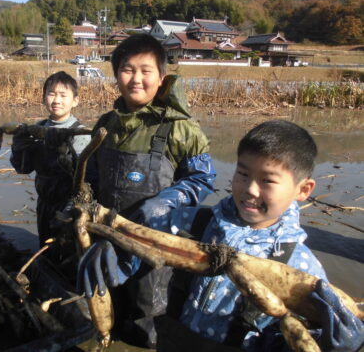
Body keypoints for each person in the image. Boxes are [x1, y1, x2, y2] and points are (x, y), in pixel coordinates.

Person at [79, 120, 364, 351]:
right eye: (243, 174)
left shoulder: (301, 268)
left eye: (267, 181)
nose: (250, 189)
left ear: (303, 190)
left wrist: (326, 341)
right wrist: (117, 250)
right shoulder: (193, 223)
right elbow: (147, 244)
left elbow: (292, 338)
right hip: (174, 340)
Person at [84, 34, 216, 347]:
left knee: (150, 315)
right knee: (108, 307)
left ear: (161, 77)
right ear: (116, 75)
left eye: (146, 71)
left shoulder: (180, 128)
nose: (136, 79)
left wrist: (167, 201)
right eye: (128, 70)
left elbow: (203, 178)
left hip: (155, 244)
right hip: (108, 238)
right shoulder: (106, 124)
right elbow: (89, 175)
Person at [10, 71, 90, 259]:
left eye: (63, 95)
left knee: (68, 254)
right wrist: (18, 147)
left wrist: (63, 153)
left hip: (70, 205)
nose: (57, 100)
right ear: (44, 97)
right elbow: (23, 168)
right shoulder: (35, 129)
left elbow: (84, 178)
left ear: (75, 101)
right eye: (51, 94)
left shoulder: (81, 134)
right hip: (44, 202)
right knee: (45, 251)